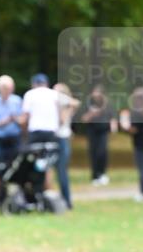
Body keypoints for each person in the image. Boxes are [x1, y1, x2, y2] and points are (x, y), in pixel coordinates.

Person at [53, 82, 80, 210]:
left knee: (61, 172)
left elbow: (62, 120)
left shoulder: (64, 107)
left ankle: (66, 200)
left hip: (61, 140)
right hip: (59, 139)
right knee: (58, 172)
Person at [81, 84, 112, 185]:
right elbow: (83, 119)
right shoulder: (88, 104)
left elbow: (112, 117)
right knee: (93, 153)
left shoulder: (107, 104)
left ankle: (102, 174)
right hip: (92, 131)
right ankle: (94, 176)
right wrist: (92, 114)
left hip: (103, 131)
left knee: (102, 152)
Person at [19, 73, 60, 144]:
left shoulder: (29, 94)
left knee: (32, 152)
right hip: (52, 131)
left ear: (34, 84)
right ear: (46, 83)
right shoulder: (55, 94)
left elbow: (24, 118)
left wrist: (24, 132)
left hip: (35, 130)